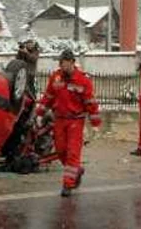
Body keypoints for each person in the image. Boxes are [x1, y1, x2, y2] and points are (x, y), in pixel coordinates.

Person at [37, 49, 101, 197]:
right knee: (60, 151)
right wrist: (40, 113)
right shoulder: (56, 77)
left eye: (65, 63)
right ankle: (76, 171)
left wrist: (95, 123)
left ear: (72, 62)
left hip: (75, 121)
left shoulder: (83, 81)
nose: (62, 66)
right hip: (59, 119)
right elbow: (48, 96)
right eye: (61, 63)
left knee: (72, 152)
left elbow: (90, 103)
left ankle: (68, 184)